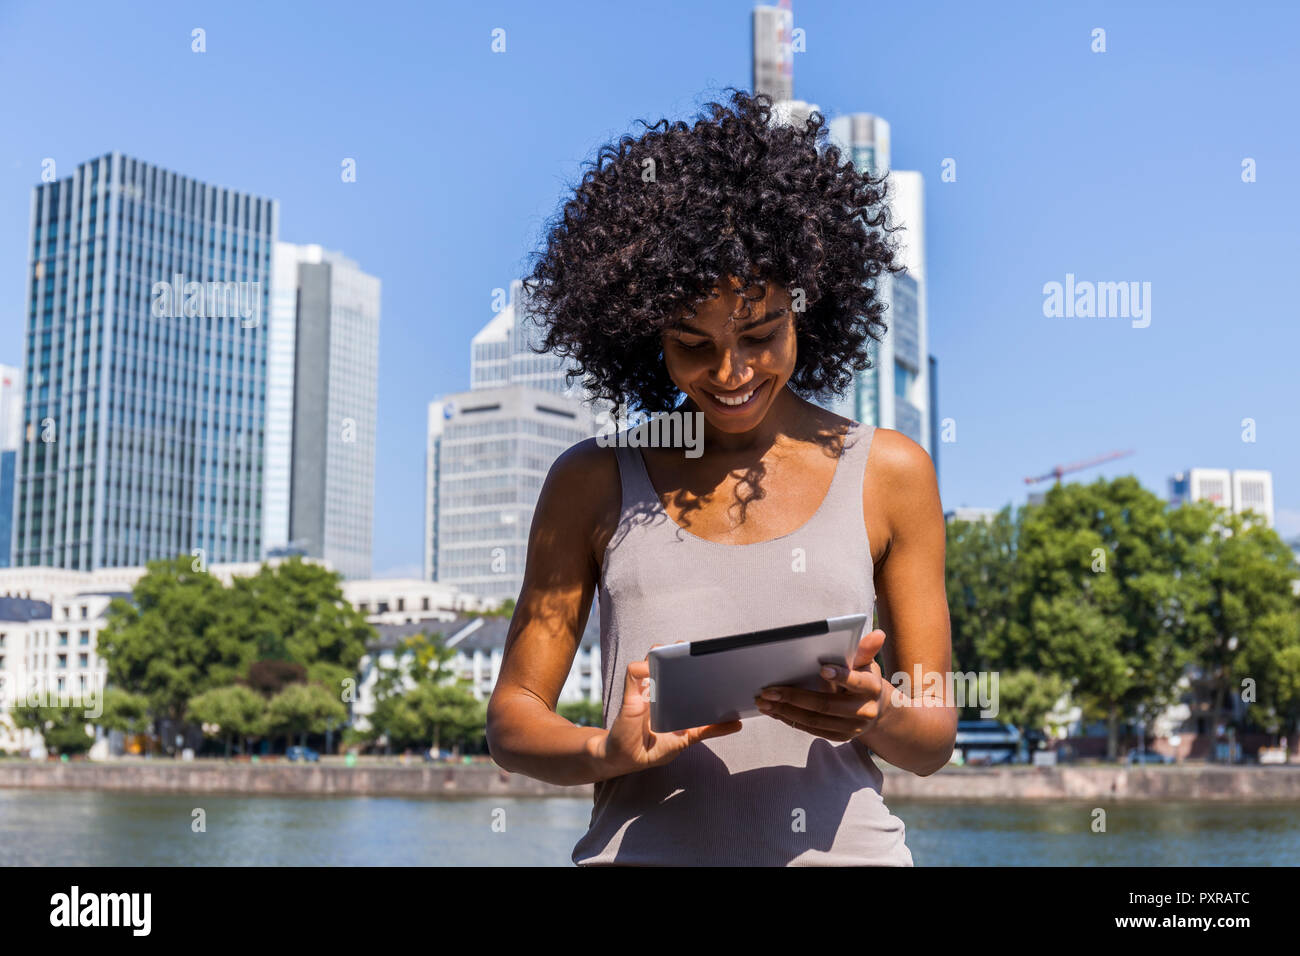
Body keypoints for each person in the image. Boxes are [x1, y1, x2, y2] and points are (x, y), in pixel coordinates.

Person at [486, 89, 955, 865]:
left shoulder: (891, 473)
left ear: (810, 310)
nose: (730, 372)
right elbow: (513, 717)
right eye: (692, 344)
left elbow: (933, 735)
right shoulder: (592, 480)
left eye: (760, 334)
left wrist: (874, 711)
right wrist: (608, 750)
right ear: (644, 336)